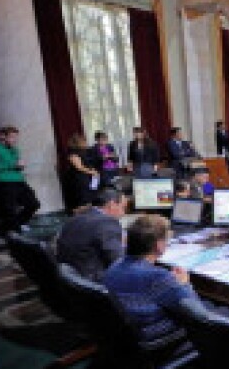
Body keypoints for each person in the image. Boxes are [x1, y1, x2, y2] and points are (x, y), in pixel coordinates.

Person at [103, 215, 208, 346]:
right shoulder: (157, 277)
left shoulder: (114, 266)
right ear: (159, 245)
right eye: (166, 239)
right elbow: (199, 314)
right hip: (155, 340)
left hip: (124, 338)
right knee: (224, 312)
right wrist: (185, 284)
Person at [56, 187, 127, 281]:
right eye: (123, 207)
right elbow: (119, 262)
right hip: (93, 282)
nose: (124, 213)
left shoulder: (75, 218)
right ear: (112, 205)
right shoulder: (107, 222)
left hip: (71, 279)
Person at [0, 126, 40, 234]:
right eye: (12, 137)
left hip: (19, 180)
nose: (14, 140)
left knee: (34, 203)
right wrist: (13, 164)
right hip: (4, 182)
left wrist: (20, 166)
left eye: (16, 137)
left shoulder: (15, 149)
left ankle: (16, 224)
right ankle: (13, 230)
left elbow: (16, 165)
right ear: (2, 136)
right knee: (9, 209)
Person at [63, 133, 100, 212]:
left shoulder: (85, 151)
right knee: (82, 199)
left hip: (87, 177)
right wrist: (91, 172)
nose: (86, 142)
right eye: (84, 141)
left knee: (89, 198)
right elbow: (79, 167)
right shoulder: (73, 153)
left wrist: (93, 170)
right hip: (79, 179)